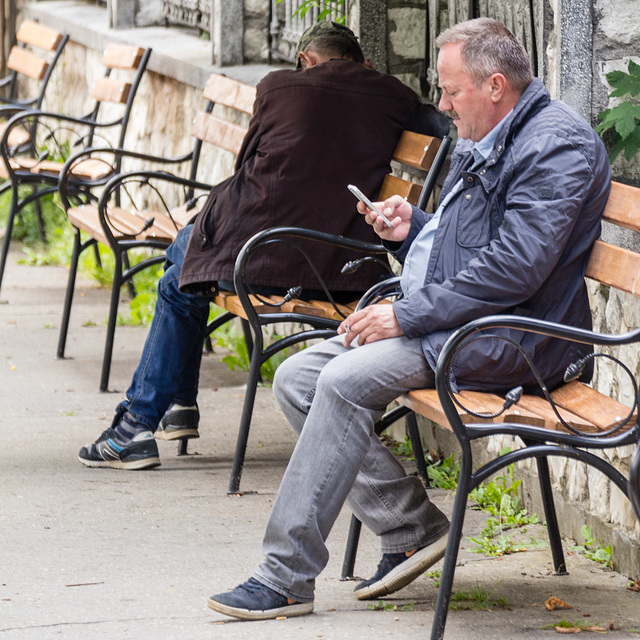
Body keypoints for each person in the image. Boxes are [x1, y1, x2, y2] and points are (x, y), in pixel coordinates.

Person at [207, 17, 611, 620]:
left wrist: (407, 314)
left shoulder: (557, 146)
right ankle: (410, 527)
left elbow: (516, 269)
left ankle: (284, 574)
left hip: (516, 338)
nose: (441, 104)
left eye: (450, 90)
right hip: (464, 323)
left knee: (340, 382)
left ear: (495, 84)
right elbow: (476, 247)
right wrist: (414, 229)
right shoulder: (499, 131)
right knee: (297, 378)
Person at [76, 22, 449, 470]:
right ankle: (170, 409)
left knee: (181, 270)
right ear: (363, 62)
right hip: (345, 265)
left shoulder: (277, 85)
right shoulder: (393, 94)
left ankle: (139, 423)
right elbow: (443, 126)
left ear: (306, 60)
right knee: (183, 267)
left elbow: (247, 171)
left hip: (269, 257)